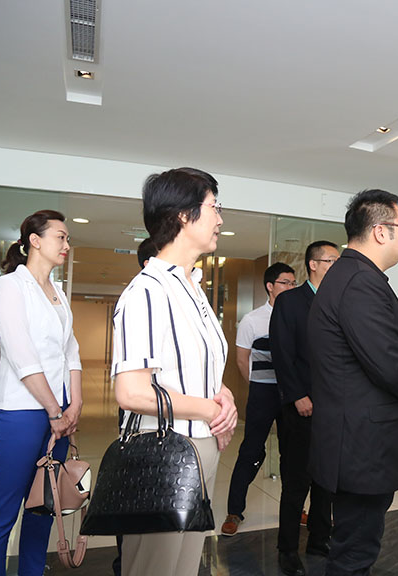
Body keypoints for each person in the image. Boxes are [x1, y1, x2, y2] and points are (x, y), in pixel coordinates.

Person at [113, 167, 237, 576]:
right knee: (154, 567)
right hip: (164, 451)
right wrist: (209, 410)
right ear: (184, 215)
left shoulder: (192, 286)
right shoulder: (148, 291)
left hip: (201, 446)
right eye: (214, 207)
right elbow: (132, 392)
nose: (220, 218)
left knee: (184, 566)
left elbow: (197, 365)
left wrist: (223, 396)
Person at [308, 189, 398, 576]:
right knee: (354, 554)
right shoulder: (359, 282)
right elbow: (389, 363)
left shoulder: (351, 277)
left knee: (354, 547)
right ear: (381, 232)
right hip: (361, 445)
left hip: (354, 440)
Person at [0, 210, 83, 576]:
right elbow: (22, 356)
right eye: (61, 237)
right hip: (20, 414)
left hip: (59, 414)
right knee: (1, 513)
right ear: (35, 241)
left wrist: (75, 403)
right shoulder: (10, 286)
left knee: (43, 507)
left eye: (68, 238)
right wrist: (55, 411)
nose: (67, 244)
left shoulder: (57, 292)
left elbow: (71, 351)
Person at [271, 241, 339, 575]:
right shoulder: (290, 301)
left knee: (327, 479)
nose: (336, 266)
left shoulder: (338, 300)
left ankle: (319, 538)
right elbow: (281, 352)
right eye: (331, 261)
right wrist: (297, 395)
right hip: (301, 405)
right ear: (313, 264)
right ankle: (287, 548)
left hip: (333, 407)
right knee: (297, 480)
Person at [221, 262, 297, 536]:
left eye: (293, 283)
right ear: (270, 286)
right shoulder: (252, 320)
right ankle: (234, 511)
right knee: (251, 450)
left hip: (292, 395)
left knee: (292, 453)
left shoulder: (298, 316)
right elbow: (242, 361)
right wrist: (258, 385)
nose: (291, 287)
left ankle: (294, 508)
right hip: (263, 393)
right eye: (285, 283)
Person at [112, 237, 157, 576]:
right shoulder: (139, 298)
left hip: (166, 417)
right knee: (136, 496)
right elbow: (130, 390)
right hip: (142, 418)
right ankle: (125, 562)